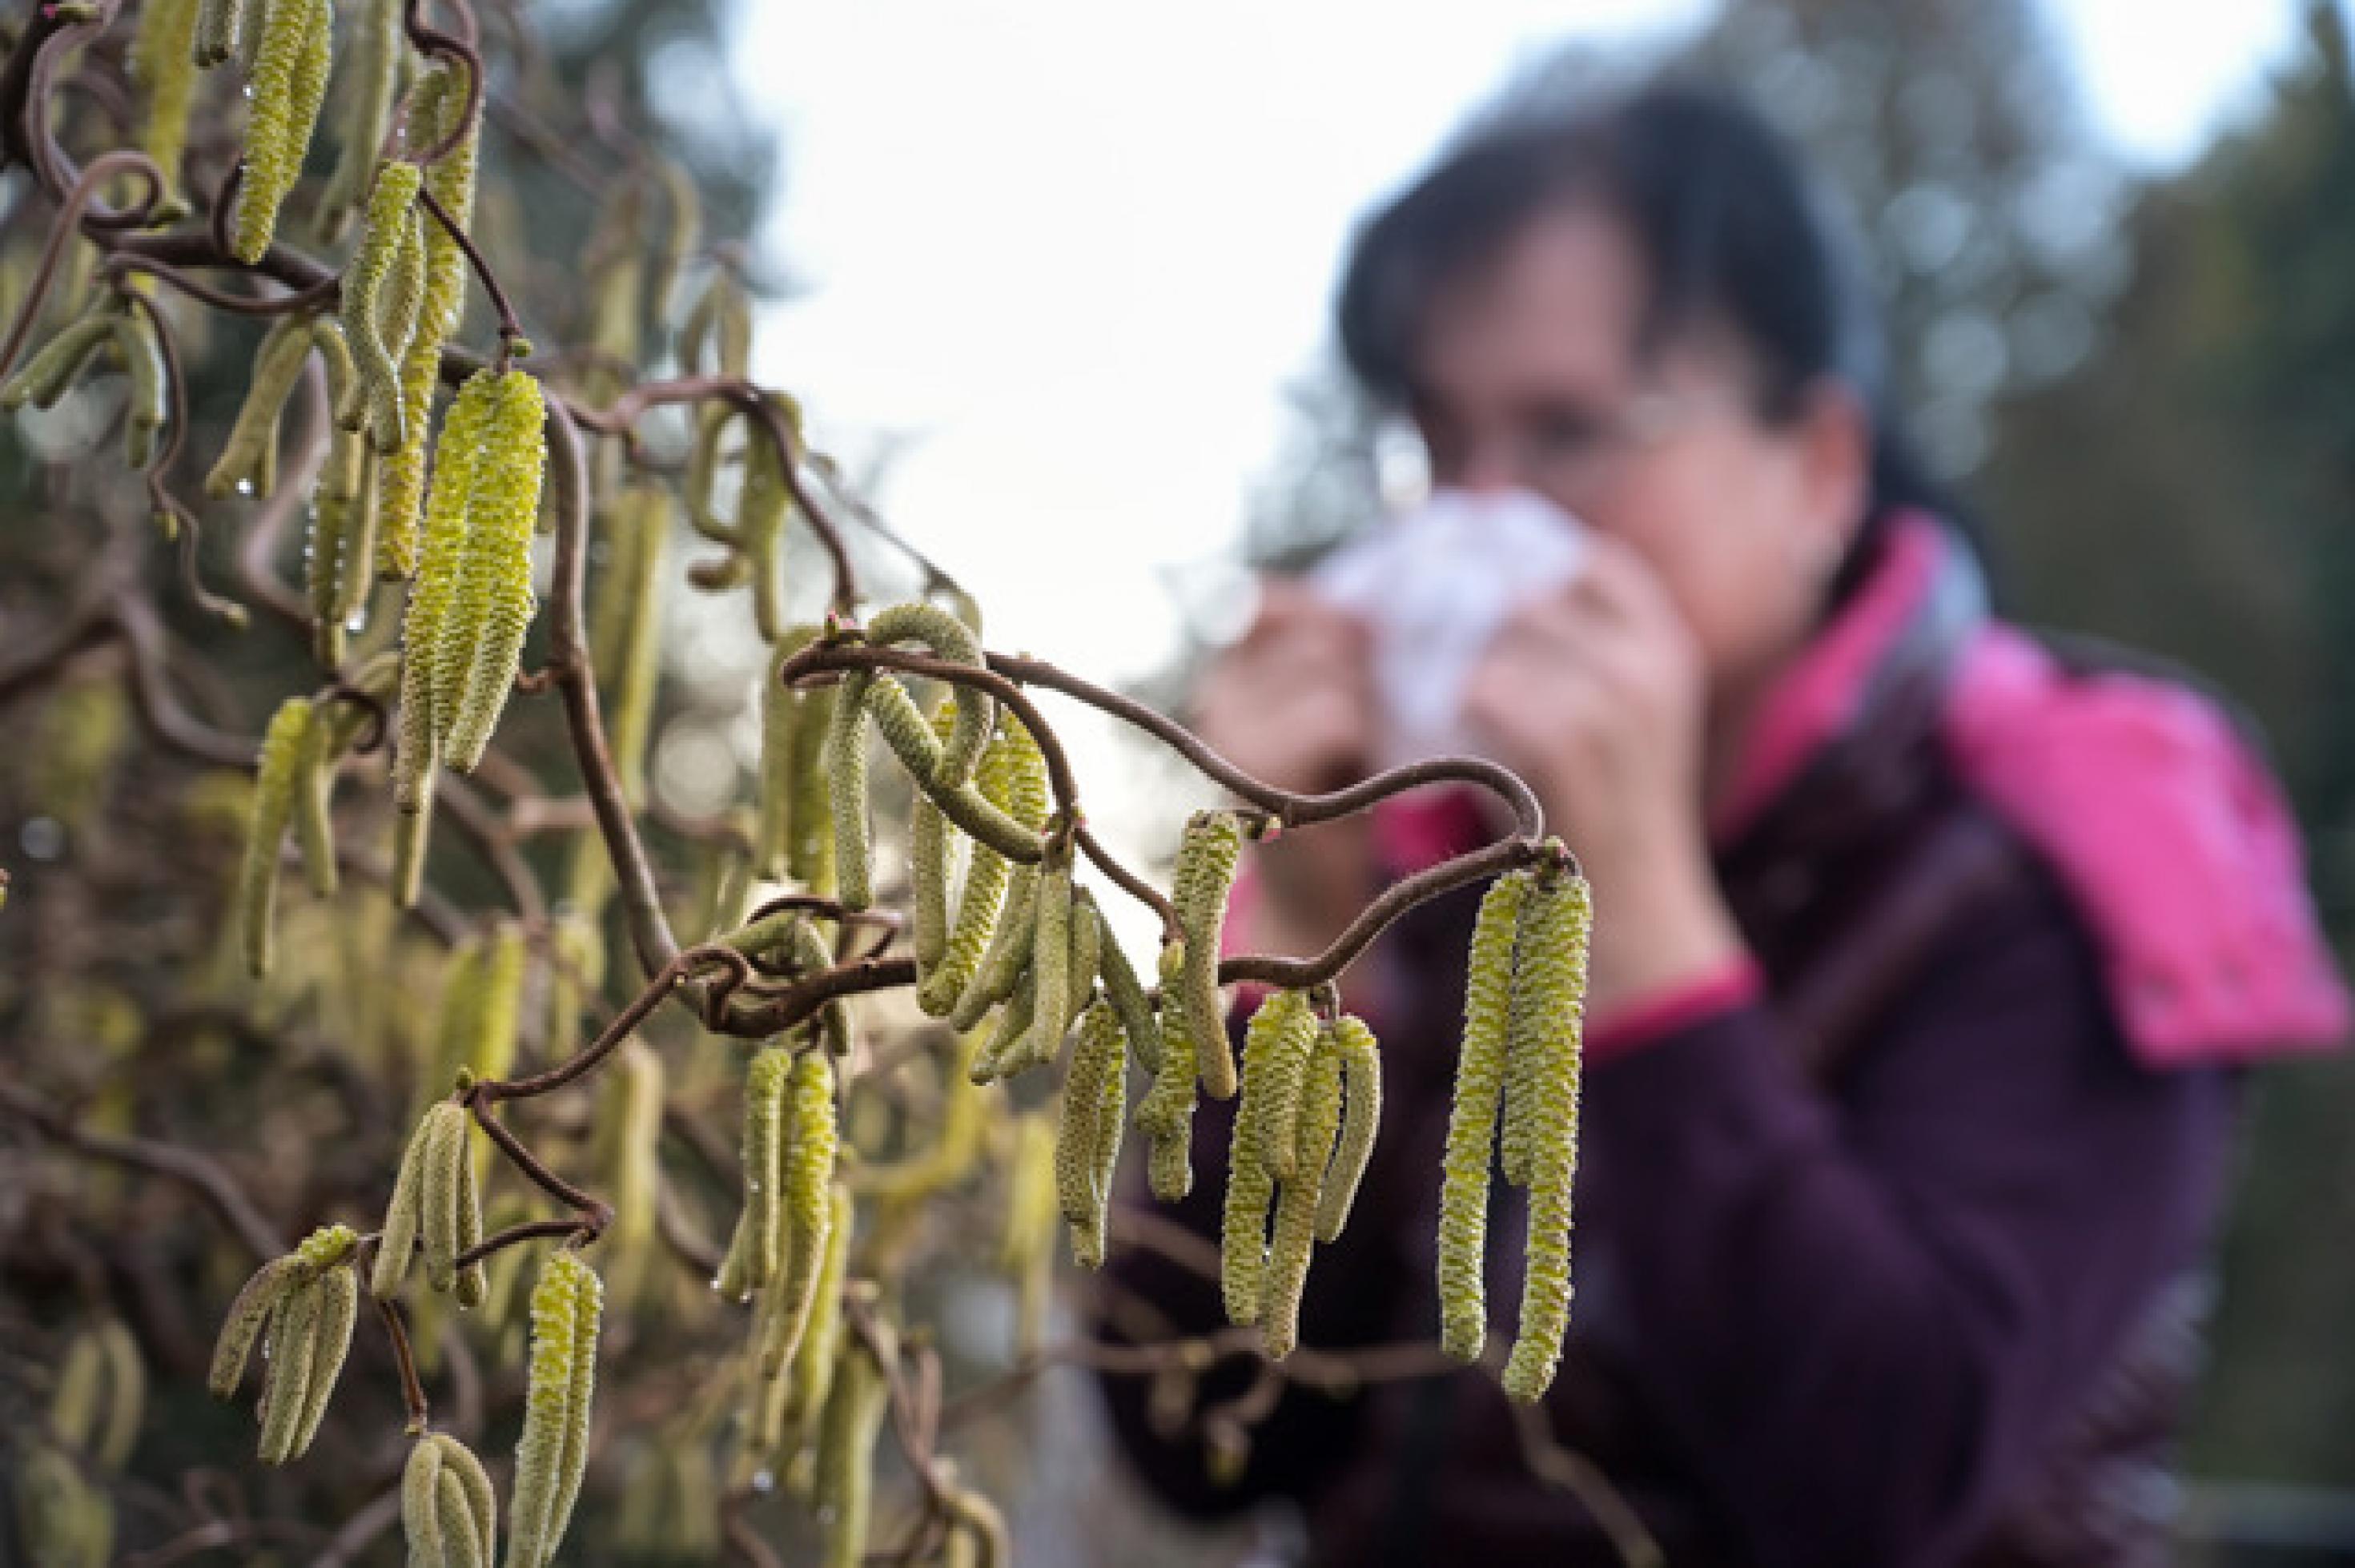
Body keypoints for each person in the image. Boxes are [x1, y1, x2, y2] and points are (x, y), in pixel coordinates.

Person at [1091, 82, 2351, 1566]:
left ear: (1816, 466)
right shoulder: (1435, 848)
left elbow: (1878, 1475)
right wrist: (1296, 950)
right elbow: (1202, 1439)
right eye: (1438, 444)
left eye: (1569, 430)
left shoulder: (2072, 853)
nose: (1475, 524)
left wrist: (1638, 920)